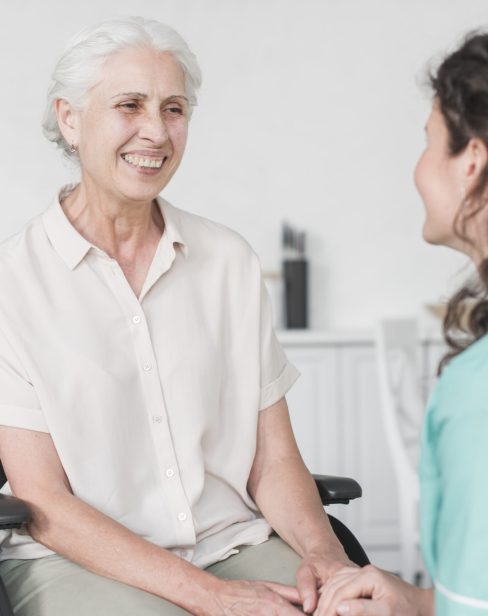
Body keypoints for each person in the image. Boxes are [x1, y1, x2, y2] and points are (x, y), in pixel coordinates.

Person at [0, 16, 354, 616]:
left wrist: (326, 557)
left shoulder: (228, 262)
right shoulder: (13, 281)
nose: (155, 132)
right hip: (77, 559)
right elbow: (46, 503)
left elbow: (272, 457)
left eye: (173, 108)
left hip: (230, 542)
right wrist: (209, 598)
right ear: (69, 118)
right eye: (129, 105)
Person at [314, 31, 488, 616]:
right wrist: (419, 603)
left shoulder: (477, 392)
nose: (417, 168)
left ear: (471, 161)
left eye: (428, 142)